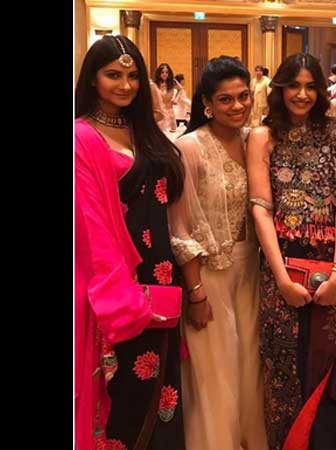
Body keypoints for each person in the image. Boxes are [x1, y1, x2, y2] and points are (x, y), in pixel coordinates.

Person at [247, 52, 336, 450]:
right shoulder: (262, 136)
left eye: (311, 86)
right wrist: (280, 279)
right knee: (284, 370)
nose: (302, 94)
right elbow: (261, 208)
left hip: (332, 263)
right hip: (281, 264)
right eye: (294, 85)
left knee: (330, 367)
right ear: (280, 88)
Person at [75, 34, 186, 450]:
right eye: (113, 76)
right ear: (92, 79)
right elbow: (89, 222)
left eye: (133, 76)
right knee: (124, 392)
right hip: (118, 281)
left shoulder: (145, 132)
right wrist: (120, 291)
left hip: (162, 273)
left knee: (163, 391)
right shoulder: (81, 137)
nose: (125, 85)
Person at [167, 56, 268, 450]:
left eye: (243, 96)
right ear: (207, 104)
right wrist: (195, 293)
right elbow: (179, 227)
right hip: (208, 274)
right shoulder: (189, 147)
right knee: (215, 374)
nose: (238, 106)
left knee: (249, 367)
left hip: (252, 268)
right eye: (225, 99)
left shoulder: (255, 141)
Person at [154, 63, 178, 132]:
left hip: (169, 114)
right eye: (162, 72)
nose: (165, 74)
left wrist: (175, 99)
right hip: (159, 114)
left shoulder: (171, 85)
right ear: (159, 73)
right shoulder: (155, 85)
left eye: (167, 72)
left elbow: (181, 89)